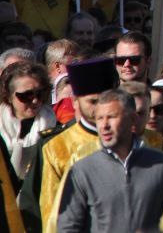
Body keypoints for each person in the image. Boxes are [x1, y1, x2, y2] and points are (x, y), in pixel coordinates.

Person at [55, 87, 163, 232]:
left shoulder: (162, 165)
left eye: (111, 117)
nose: (104, 125)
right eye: (99, 118)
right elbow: (68, 228)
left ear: (133, 119)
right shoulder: (82, 171)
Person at [22, 56, 119, 233]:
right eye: (92, 102)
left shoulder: (134, 140)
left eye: (105, 101)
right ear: (75, 101)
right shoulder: (54, 146)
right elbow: (34, 207)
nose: (100, 109)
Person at [0, 60, 54, 179]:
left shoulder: (55, 128)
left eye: (39, 94)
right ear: (9, 96)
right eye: (26, 95)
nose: (35, 101)